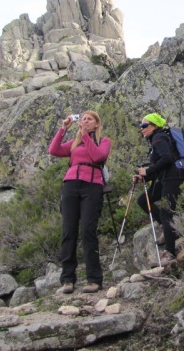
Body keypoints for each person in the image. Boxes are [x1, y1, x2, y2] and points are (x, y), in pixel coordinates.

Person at [48, 110, 111, 294]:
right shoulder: (75, 143)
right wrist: (63, 129)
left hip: (92, 186)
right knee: (69, 231)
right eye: (83, 119)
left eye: (89, 119)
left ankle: (94, 280)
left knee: (88, 231)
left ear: (97, 124)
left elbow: (98, 157)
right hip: (70, 185)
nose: (85, 121)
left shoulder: (103, 141)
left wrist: (85, 135)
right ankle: (67, 280)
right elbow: (54, 150)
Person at [133, 113, 184, 267]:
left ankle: (170, 253)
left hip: (173, 178)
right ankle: (167, 228)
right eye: (140, 126)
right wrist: (144, 177)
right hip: (165, 178)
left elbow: (167, 158)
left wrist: (147, 171)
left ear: (154, 126)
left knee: (165, 212)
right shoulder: (157, 139)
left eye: (145, 126)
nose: (142, 129)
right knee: (143, 200)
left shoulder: (159, 138)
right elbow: (161, 166)